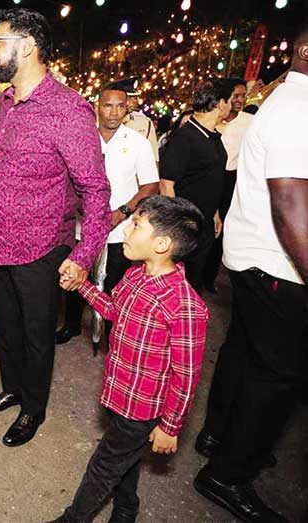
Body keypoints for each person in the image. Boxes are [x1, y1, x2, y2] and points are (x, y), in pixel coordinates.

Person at [0, 8, 110, 447]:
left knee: (37, 337)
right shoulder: (9, 102)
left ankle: (34, 408)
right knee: (7, 329)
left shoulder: (67, 109)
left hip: (38, 248)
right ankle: (14, 388)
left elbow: (95, 189)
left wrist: (83, 254)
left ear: (27, 46)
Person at [193, 21, 308, 522]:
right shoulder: (297, 109)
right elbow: (290, 201)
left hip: (256, 258)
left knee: (244, 353)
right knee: (277, 376)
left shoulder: (286, 102)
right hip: (279, 264)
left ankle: (218, 435)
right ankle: (228, 473)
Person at [52, 196, 209, 523]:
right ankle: (125, 511)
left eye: (136, 225)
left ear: (162, 243)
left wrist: (170, 425)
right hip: (118, 391)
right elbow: (113, 311)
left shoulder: (185, 306)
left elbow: (186, 376)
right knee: (125, 459)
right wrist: (83, 286)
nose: (125, 231)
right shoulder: (135, 276)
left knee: (104, 465)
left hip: (143, 408)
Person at [56, 82, 159, 345]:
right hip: (81, 226)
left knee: (115, 283)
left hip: (120, 228)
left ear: (128, 109)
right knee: (76, 275)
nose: (113, 112)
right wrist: (77, 202)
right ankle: (71, 325)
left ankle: (114, 333)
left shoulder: (138, 143)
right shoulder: (81, 138)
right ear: (96, 107)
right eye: (108, 106)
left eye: (120, 106)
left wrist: (122, 212)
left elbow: (150, 184)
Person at [159, 79, 234, 292]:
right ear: (220, 103)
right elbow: (166, 186)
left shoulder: (213, 136)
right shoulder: (185, 138)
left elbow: (209, 178)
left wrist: (215, 213)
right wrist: (177, 228)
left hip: (205, 223)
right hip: (186, 228)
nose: (232, 105)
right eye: (230, 100)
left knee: (194, 284)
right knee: (180, 287)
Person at [203, 78, 254, 292]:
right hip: (208, 177)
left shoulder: (250, 121)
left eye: (244, 95)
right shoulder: (213, 119)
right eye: (236, 95)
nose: (240, 100)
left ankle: (209, 277)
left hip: (232, 180)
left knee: (220, 230)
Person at [122, 79, 160, 163]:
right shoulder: (106, 122)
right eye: (129, 97)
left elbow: (153, 159)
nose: (135, 101)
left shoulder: (144, 123)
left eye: (135, 97)